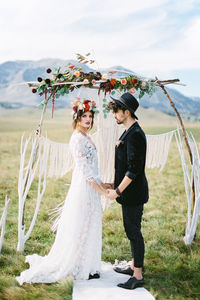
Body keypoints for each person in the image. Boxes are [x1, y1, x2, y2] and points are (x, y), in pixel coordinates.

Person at [16, 98, 108, 285]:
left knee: (90, 224)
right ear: (77, 118)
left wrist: (103, 184)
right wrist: (102, 191)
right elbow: (84, 170)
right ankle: (78, 265)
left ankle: (89, 265)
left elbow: (92, 168)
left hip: (91, 187)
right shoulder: (76, 139)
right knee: (81, 224)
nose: (88, 120)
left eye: (90, 116)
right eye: (84, 116)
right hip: (84, 187)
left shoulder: (86, 137)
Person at [106, 91, 149, 290]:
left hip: (133, 193)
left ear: (127, 112)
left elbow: (133, 170)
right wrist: (112, 184)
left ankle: (137, 276)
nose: (114, 114)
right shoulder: (128, 131)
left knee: (134, 232)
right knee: (130, 230)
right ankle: (133, 266)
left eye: (117, 111)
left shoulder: (136, 135)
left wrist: (118, 191)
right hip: (128, 193)